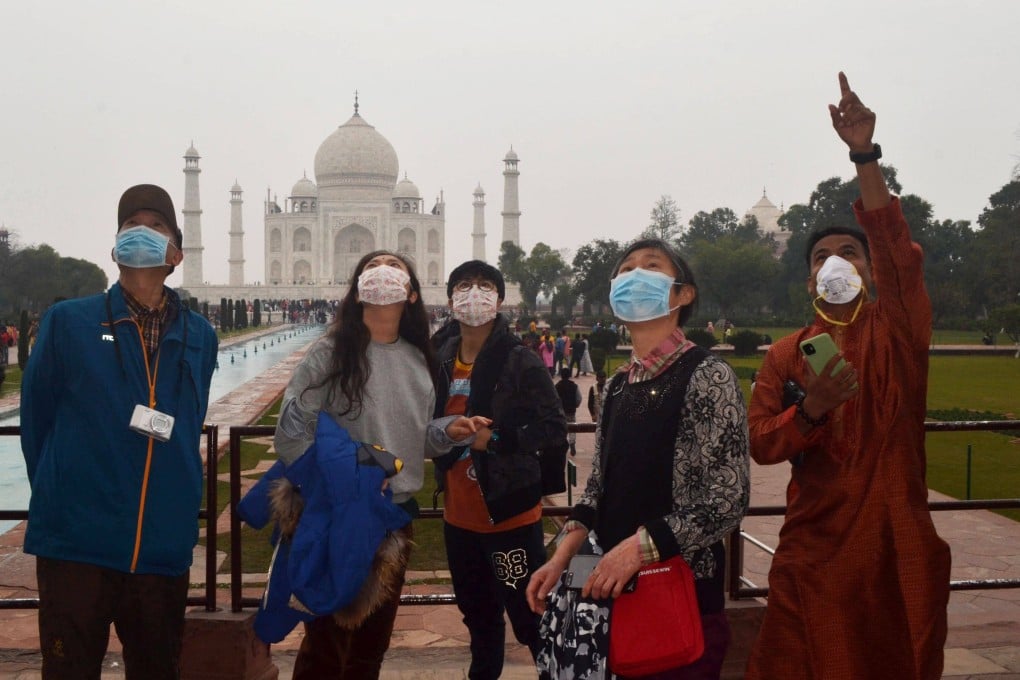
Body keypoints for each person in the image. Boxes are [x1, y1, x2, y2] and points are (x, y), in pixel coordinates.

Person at [744, 73, 951, 680]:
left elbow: (896, 246)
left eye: (850, 253)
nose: (835, 262)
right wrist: (810, 411)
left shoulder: (900, 332)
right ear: (808, 280)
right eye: (820, 257)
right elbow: (761, 442)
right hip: (817, 548)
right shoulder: (788, 355)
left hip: (896, 542)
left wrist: (864, 156)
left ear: (871, 267)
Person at [527, 238, 750, 679]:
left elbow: (727, 499)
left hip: (675, 592)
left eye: (651, 266)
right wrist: (561, 558)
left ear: (682, 294)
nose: (634, 276)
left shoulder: (705, 375)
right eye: (626, 269)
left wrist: (637, 549)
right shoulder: (617, 386)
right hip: (610, 584)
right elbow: (598, 491)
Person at [20, 184, 218, 679]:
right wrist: (62, 493)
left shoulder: (200, 335)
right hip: (78, 544)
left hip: (160, 546)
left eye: (155, 227)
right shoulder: (70, 323)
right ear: (114, 246)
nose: (141, 234)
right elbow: (36, 423)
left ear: (176, 251)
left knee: (156, 670)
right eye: (132, 226)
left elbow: (188, 420)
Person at [273, 250, 437, 678]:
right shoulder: (330, 353)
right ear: (357, 288)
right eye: (371, 266)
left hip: (393, 518)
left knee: (369, 650)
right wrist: (345, 481)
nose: (382, 272)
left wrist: (450, 431)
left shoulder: (419, 359)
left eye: (396, 266)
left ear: (413, 294)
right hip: (335, 514)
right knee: (326, 649)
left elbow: (414, 440)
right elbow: (291, 434)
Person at [427, 260, 567, 680]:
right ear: (451, 298)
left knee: (529, 619)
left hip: (507, 518)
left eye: (484, 285)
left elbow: (553, 428)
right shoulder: (441, 357)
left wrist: (499, 439)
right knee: (479, 620)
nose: (474, 293)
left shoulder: (519, 360)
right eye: (465, 285)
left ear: (500, 299)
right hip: (461, 519)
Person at [555, 367, 582, 455]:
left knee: (562, 428)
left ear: (561, 375)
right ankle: (572, 442)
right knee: (572, 428)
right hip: (571, 411)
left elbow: (554, 399)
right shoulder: (574, 386)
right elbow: (579, 398)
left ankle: (562, 444)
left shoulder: (557, 386)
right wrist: (575, 405)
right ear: (569, 375)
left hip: (561, 412)